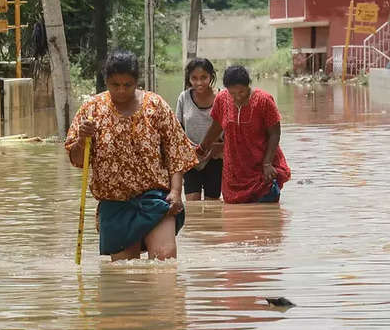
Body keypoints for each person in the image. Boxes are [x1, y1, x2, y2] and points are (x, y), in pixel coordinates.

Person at [65, 51, 198, 261]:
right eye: (114, 84)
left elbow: (176, 151)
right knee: (125, 275)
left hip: (155, 197)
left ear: (137, 82)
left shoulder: (155, 105)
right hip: (115, 203)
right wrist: (82, 139)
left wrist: (175, 191)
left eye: (127, 85)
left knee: (165, 258)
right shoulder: (92, 110)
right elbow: (78, 160)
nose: (121, 90)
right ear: (106, 81)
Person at [197, 65, 291, 204]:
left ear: (248, 86)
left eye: (241, 92)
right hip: (235, 169)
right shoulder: (222, 99)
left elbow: (275, 133)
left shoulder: (264, 100)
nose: (237, 97)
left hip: (261, 167)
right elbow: (216, 127)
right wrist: (202, 148)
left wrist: (267, 163)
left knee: (265, 211)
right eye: (232, 93)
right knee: (234, 216)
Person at [176, 58, 224, 201]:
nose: (199, 82)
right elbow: (177, 129)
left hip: (216, 158)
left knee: (212, 205)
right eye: (194, 78)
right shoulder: (184, 97)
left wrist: (220, 147)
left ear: (211, 76)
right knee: (192, 205)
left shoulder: (222, 97)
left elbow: (231, 130)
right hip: (191, 158)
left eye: (204, 77)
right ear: (189, 78)